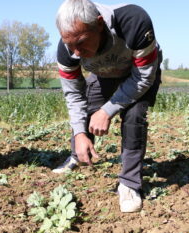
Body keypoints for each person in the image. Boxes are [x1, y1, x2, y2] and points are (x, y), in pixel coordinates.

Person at [52, 0, 162, 213]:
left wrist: (108, 110)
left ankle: (130, 183)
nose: (76, 52)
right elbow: (74, 95)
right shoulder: (67, 50)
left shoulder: (133, 21)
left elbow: (143, 77)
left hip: (137, 73)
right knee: (86, 110)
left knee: (134, 115)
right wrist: (79, 133)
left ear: (99, 24)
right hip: (104, 73)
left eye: (82, 42)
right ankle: (77, 155)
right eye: (69, 44)